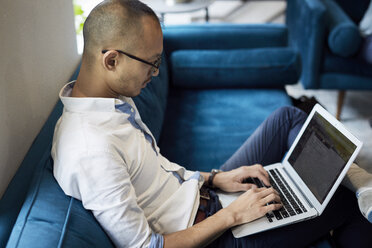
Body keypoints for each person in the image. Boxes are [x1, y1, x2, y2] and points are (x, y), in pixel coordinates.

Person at [51, 0, 372, 247]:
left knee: (285, 118)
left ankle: (349, 186)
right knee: (340, 200)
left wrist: (216, 179)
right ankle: (357, 196)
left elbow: (158, 171)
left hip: (205, 199)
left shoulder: (112, 101)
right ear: (111, 60)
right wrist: (232, 215)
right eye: (151, 62)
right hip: (213, 237)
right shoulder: (92, 148)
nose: (156, 72)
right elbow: (147, 245)